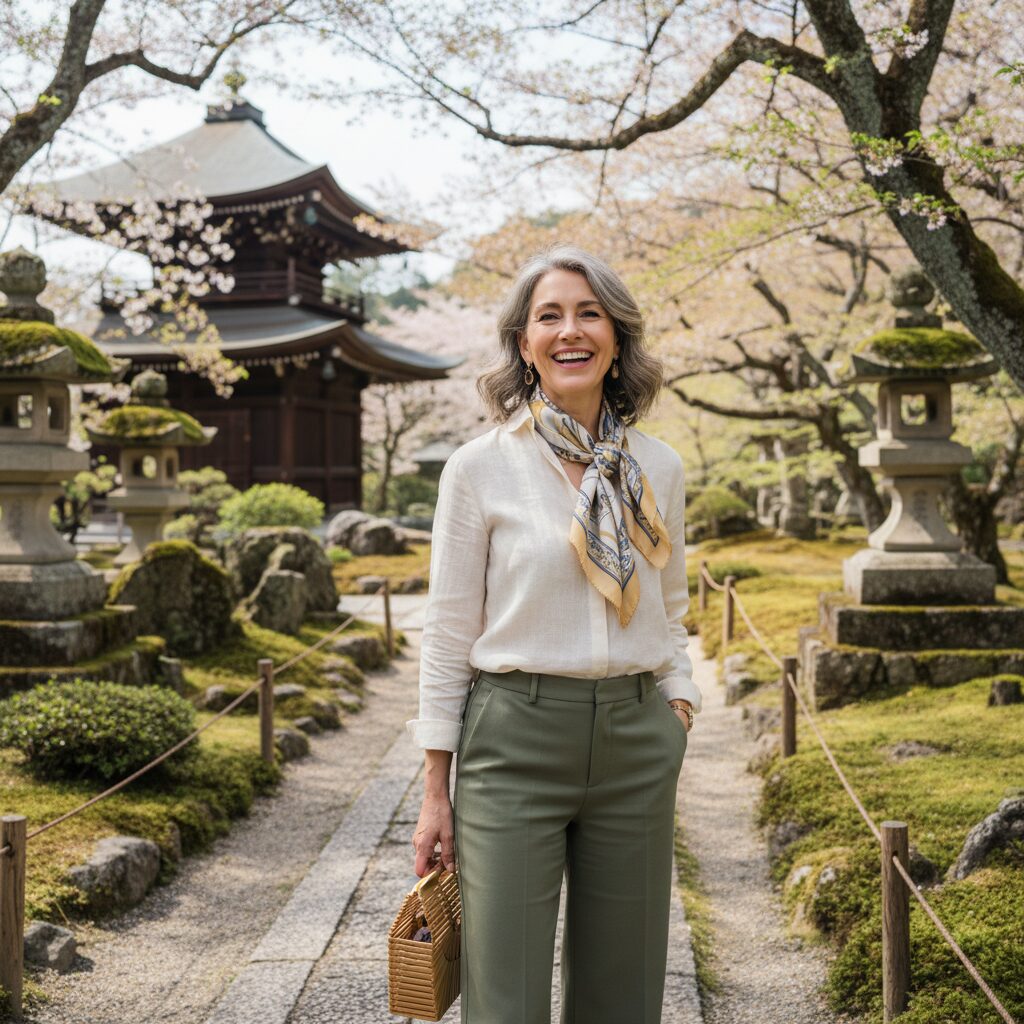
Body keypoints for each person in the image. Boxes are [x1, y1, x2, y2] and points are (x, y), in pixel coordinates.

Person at [407, 244, 702, 1024]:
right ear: (524, 343)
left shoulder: (659, 467)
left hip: (637, 742)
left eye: (589, 314)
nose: (570, 331)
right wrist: (435, 789)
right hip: (513, 742)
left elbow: (671, 609)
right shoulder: (479, 467)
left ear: (618, 338)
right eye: (549, 317)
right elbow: (448, 631)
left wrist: (678, 705)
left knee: (623, 998)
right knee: (504, 998)